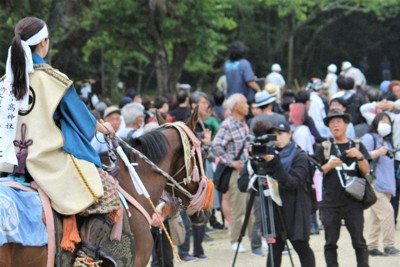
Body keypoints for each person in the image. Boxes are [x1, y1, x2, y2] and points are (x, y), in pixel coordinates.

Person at [0, 17, 119, 265]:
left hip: (10, 166)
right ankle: (86, 258)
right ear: (43, 42)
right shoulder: (54, 79)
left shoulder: (4, 84)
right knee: (108, 192)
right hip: (47, 165)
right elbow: (80, 118)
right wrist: (103, 127)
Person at [244, 121, 316, 266]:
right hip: (274, 209)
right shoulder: (268, 154)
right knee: (274, 249)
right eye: (274, 135)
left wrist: (275, 163)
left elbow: (292, 183)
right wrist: (253, 161)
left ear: (290, 134)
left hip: (295, 208)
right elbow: (250, 183)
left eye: (281, 133)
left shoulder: (299, 156)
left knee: (301, 247)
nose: (278, 138)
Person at [315, 109, 370, 267]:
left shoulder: (357, 145)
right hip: (330, 202)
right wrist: (329, 165)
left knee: (359, 242)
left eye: (339, 121)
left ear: (346, 124)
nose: (335, 125)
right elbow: (316, 173)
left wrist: (359, 156)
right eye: (332, 123)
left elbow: (366, 171)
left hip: (354, 202)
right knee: (330, 243)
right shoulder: (324, 147)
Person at [211, 93, 251, 252]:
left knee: (251, 206)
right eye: (245, 103)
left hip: (247, 170)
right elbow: (216, 146)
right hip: (236, 172)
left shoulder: (243, 124)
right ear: (235, 106)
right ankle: (235, 240)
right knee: (238, 207)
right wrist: (231, 162)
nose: (248, 105)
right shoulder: (228, 124)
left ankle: (253, 239)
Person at [360, 113, 399, 256]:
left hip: (387, 185)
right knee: (388, 213)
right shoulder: (369, 137)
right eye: (382, 120)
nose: (385, 124)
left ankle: (371, 246)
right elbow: (361, 155)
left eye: (388, 122)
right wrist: (378, 152)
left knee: (376, 217)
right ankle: (389, 245)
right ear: (376, 122)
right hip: (374, 183)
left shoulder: (387, 142)